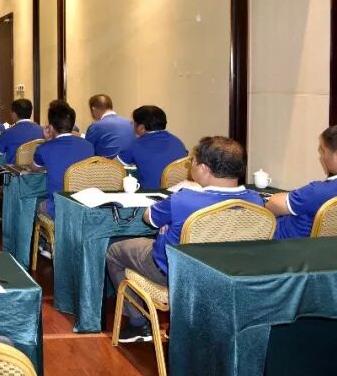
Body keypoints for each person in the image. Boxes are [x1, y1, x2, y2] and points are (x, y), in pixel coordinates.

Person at [107, 136, 263, 342]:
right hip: (230, 274)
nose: (191, 166)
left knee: (114, 251)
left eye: (193, 162)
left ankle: (137, 324)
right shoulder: (256, 201)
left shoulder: (184, 199)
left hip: (177, 274)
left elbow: (149, 217)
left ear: (204, 168)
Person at [33, 101, 95, 219]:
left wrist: (47, 141)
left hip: (58, 206)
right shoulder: (88, 146)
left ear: (51, 127)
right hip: (83, 205)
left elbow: (35, 168)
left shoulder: (44, 148)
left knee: (39, 205)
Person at [117, 105, 188, 190]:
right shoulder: (178, 142)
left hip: (150, 194)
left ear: (141, 128)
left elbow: (113, 166)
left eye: (133, 123)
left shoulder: (136, 144)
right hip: (178, 193)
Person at [0, 98, 44, 164]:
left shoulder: (8, 133)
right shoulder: (42, 130)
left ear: (14, 114)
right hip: (39, 169)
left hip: (15, 169)